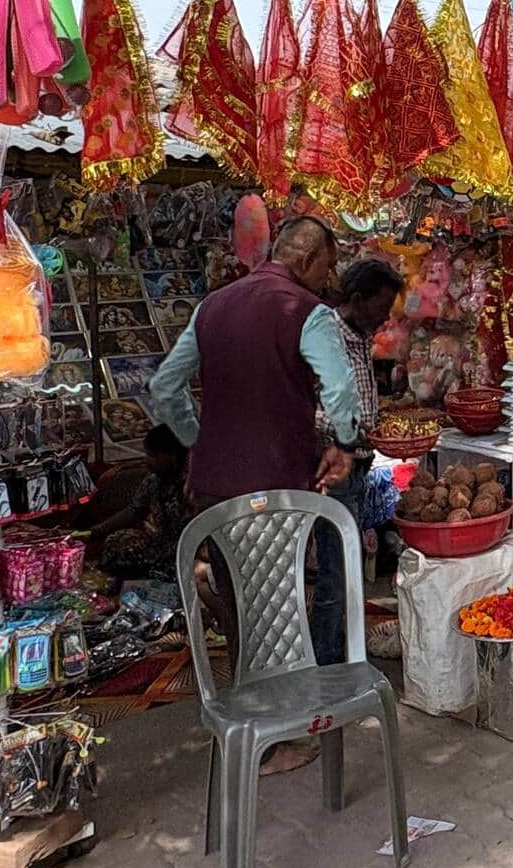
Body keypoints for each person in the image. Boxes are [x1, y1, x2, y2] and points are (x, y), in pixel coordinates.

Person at [149, 215, 364, 667]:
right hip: (277, 486)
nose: (329, 280)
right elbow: (341, 391)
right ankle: (280, 723)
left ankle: (248, 716)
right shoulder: (308, 311)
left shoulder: (212, 306)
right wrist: (344, 444)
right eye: (328, 267)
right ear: (307, 259)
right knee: (279, 608)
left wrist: (198, 442)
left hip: (214, 489)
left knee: (238, 607)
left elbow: (165, 387)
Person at [311, 257, 404, 602]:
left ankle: (347, 646)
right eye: (380, 307)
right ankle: (333, 653)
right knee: (337, 571)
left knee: (348, 565)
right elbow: (308, 407)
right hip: (335, 464)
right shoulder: (326, 339)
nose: (385, 318)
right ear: (357, 299)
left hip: (359, 462)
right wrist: (350, 430)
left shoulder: (361, 336)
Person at [89, 424, 193, 591]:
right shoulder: (154, 480)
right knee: (117, 542)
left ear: (172, 456)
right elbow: (134, 510)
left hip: (184, 552)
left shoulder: (191, 486)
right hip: (158, 545)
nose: (147, 459)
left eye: (152, 455)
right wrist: (96, 530)